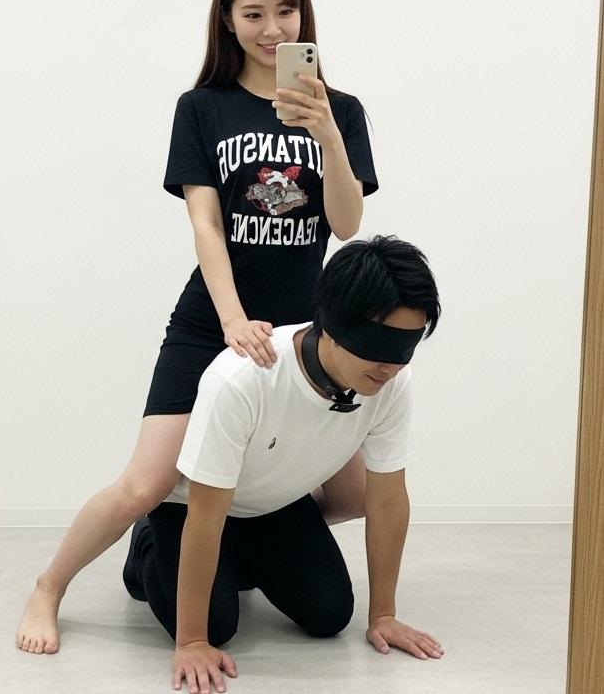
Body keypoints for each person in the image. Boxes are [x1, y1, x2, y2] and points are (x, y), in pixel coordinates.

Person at [16, 0, 378, 654]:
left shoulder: (341, 110)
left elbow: (345, 223)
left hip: (304, 331)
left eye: (284, 11)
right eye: (253, 13)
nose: (271, 29)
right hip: (213, 321)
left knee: (353, 493)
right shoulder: (202, 108)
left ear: (302, 14)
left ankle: (241, 525)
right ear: (227, 19)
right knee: (145, 484)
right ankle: (52, 585)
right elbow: (206, 226)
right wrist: (233, 319)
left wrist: (328, 135)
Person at [122, 236, 443, 694]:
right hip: (190, 508)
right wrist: (192, 642)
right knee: (216, 626)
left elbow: (388, 498)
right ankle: (147, 545)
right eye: (378, 345)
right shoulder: (242, 377)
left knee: (329, 614)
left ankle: (236, 558)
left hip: (271, 505)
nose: (390, 367)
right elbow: (206, 513)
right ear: (334, 323)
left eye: (404, 348)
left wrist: (384, 615)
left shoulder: (390, 381)